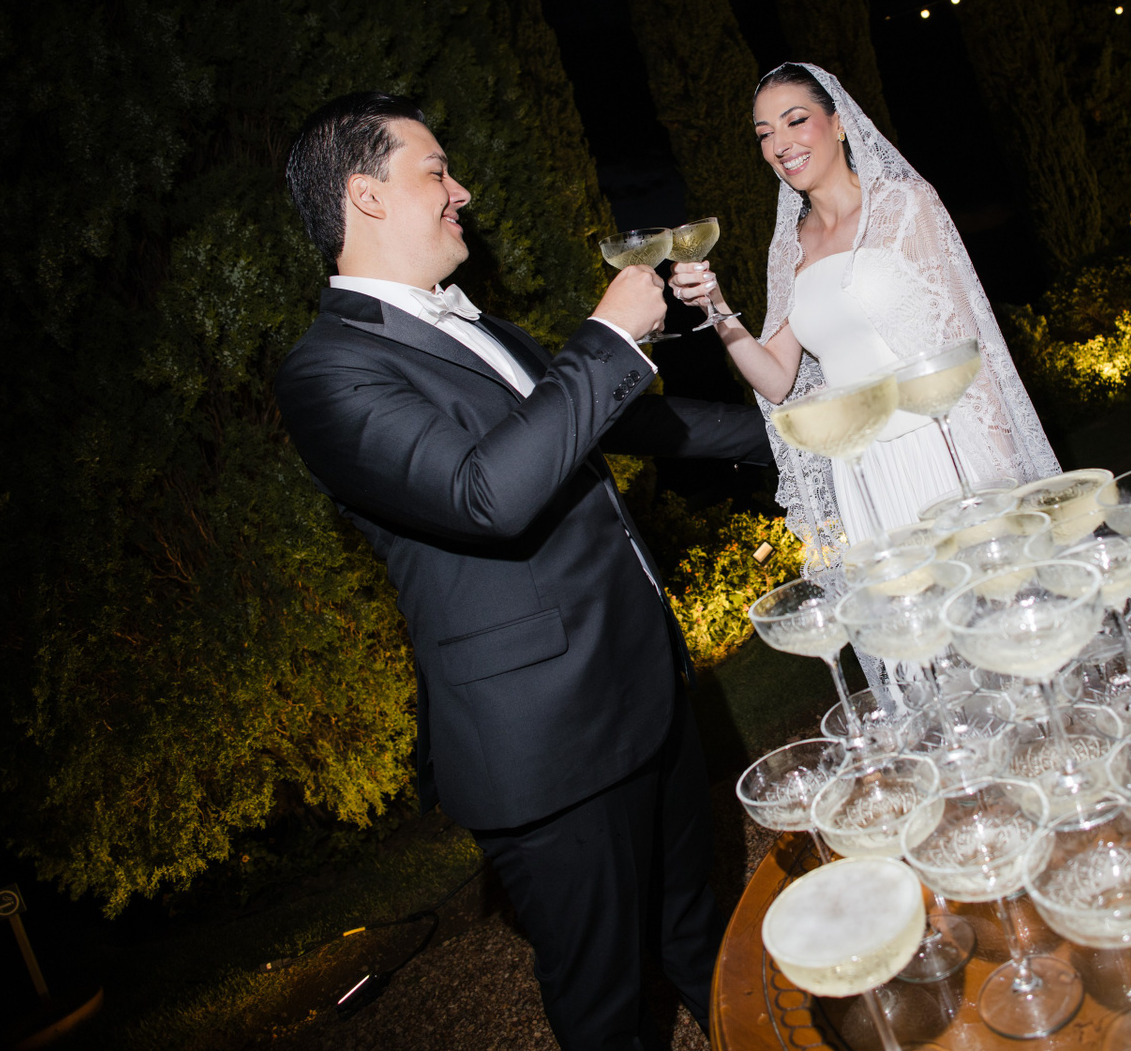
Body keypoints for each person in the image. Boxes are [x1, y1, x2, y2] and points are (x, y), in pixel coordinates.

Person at [273, 92, 770, 1050]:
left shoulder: (487, 328)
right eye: (436, 171)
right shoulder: (327, 371)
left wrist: (787, 435)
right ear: (365, 195)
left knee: (699, 930)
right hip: (546, 750)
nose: (461, 191)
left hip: (646, 693)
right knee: (608, 1007)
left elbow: (627, 423)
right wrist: (608, 337)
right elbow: (483, 495)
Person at [670, 62, 1059, 672]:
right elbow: (775, 378)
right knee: (922, 667)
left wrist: (999, 480)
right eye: (765, 134)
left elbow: (968, 347)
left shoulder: (904, 207)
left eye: (795, 121)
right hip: (866, 478)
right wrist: (716, 309)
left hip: (945, 452)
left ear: (840, 123)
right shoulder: (789, 247)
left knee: (997, 640)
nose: (780, 144)